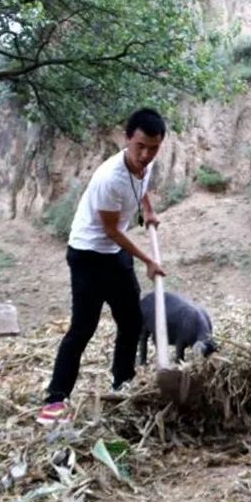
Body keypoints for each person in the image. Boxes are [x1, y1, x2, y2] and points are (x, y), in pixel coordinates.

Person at [37, 108, 168, 425]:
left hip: (113, 253)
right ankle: (55, 399)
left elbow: (143, 185)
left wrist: (147, 210)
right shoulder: (110, 178)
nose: (146, 154)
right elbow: (111, 230)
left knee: (132, 321)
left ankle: (122, 383)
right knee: (84, 327)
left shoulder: (143, 165)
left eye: (153, 148)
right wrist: (148, 259)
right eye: (140, 146)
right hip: (87, 255)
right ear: (127, 139)